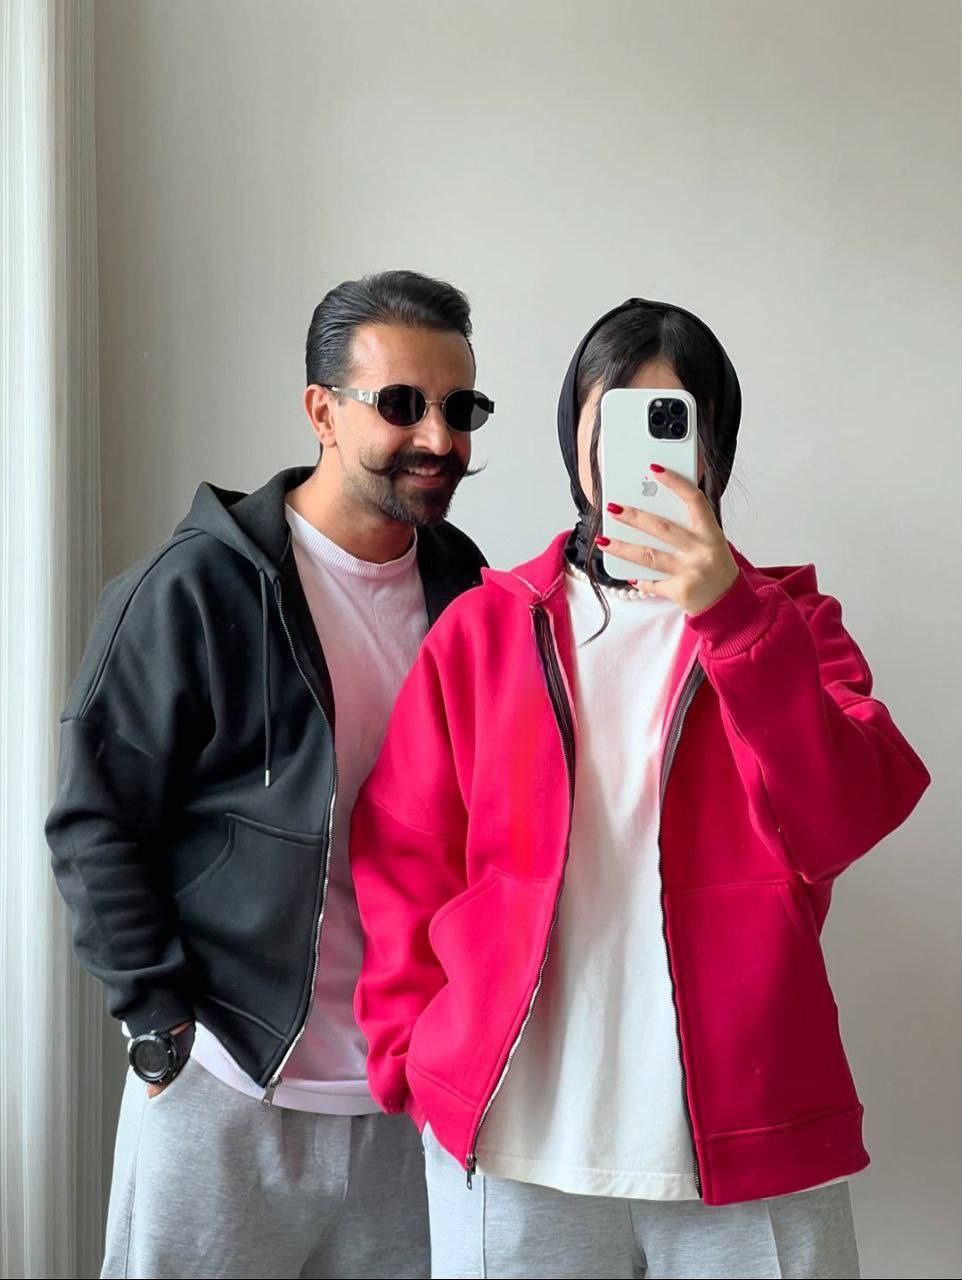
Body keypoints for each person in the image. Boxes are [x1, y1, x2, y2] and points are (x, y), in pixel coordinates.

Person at [349, 297, 931, 1279]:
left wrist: (735, 620)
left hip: (750, 1138)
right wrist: (412, 1056)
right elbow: (404, 854)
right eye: (614, 418)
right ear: (573, 437)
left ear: (715, 447)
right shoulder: (485, 631)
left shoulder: (790, 625)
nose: (644, 453)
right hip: (514, 1137)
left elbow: (844, 815)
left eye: (673, 421)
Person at [47, 269, 492, 1279]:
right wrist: (157, 1021)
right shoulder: (194, 588)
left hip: (403, 1095)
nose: (438, 436)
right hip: (225, 1081)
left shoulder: (467, 587)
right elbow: (93, 821)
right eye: (401, 403)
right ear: (321, 412)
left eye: (460, 407)